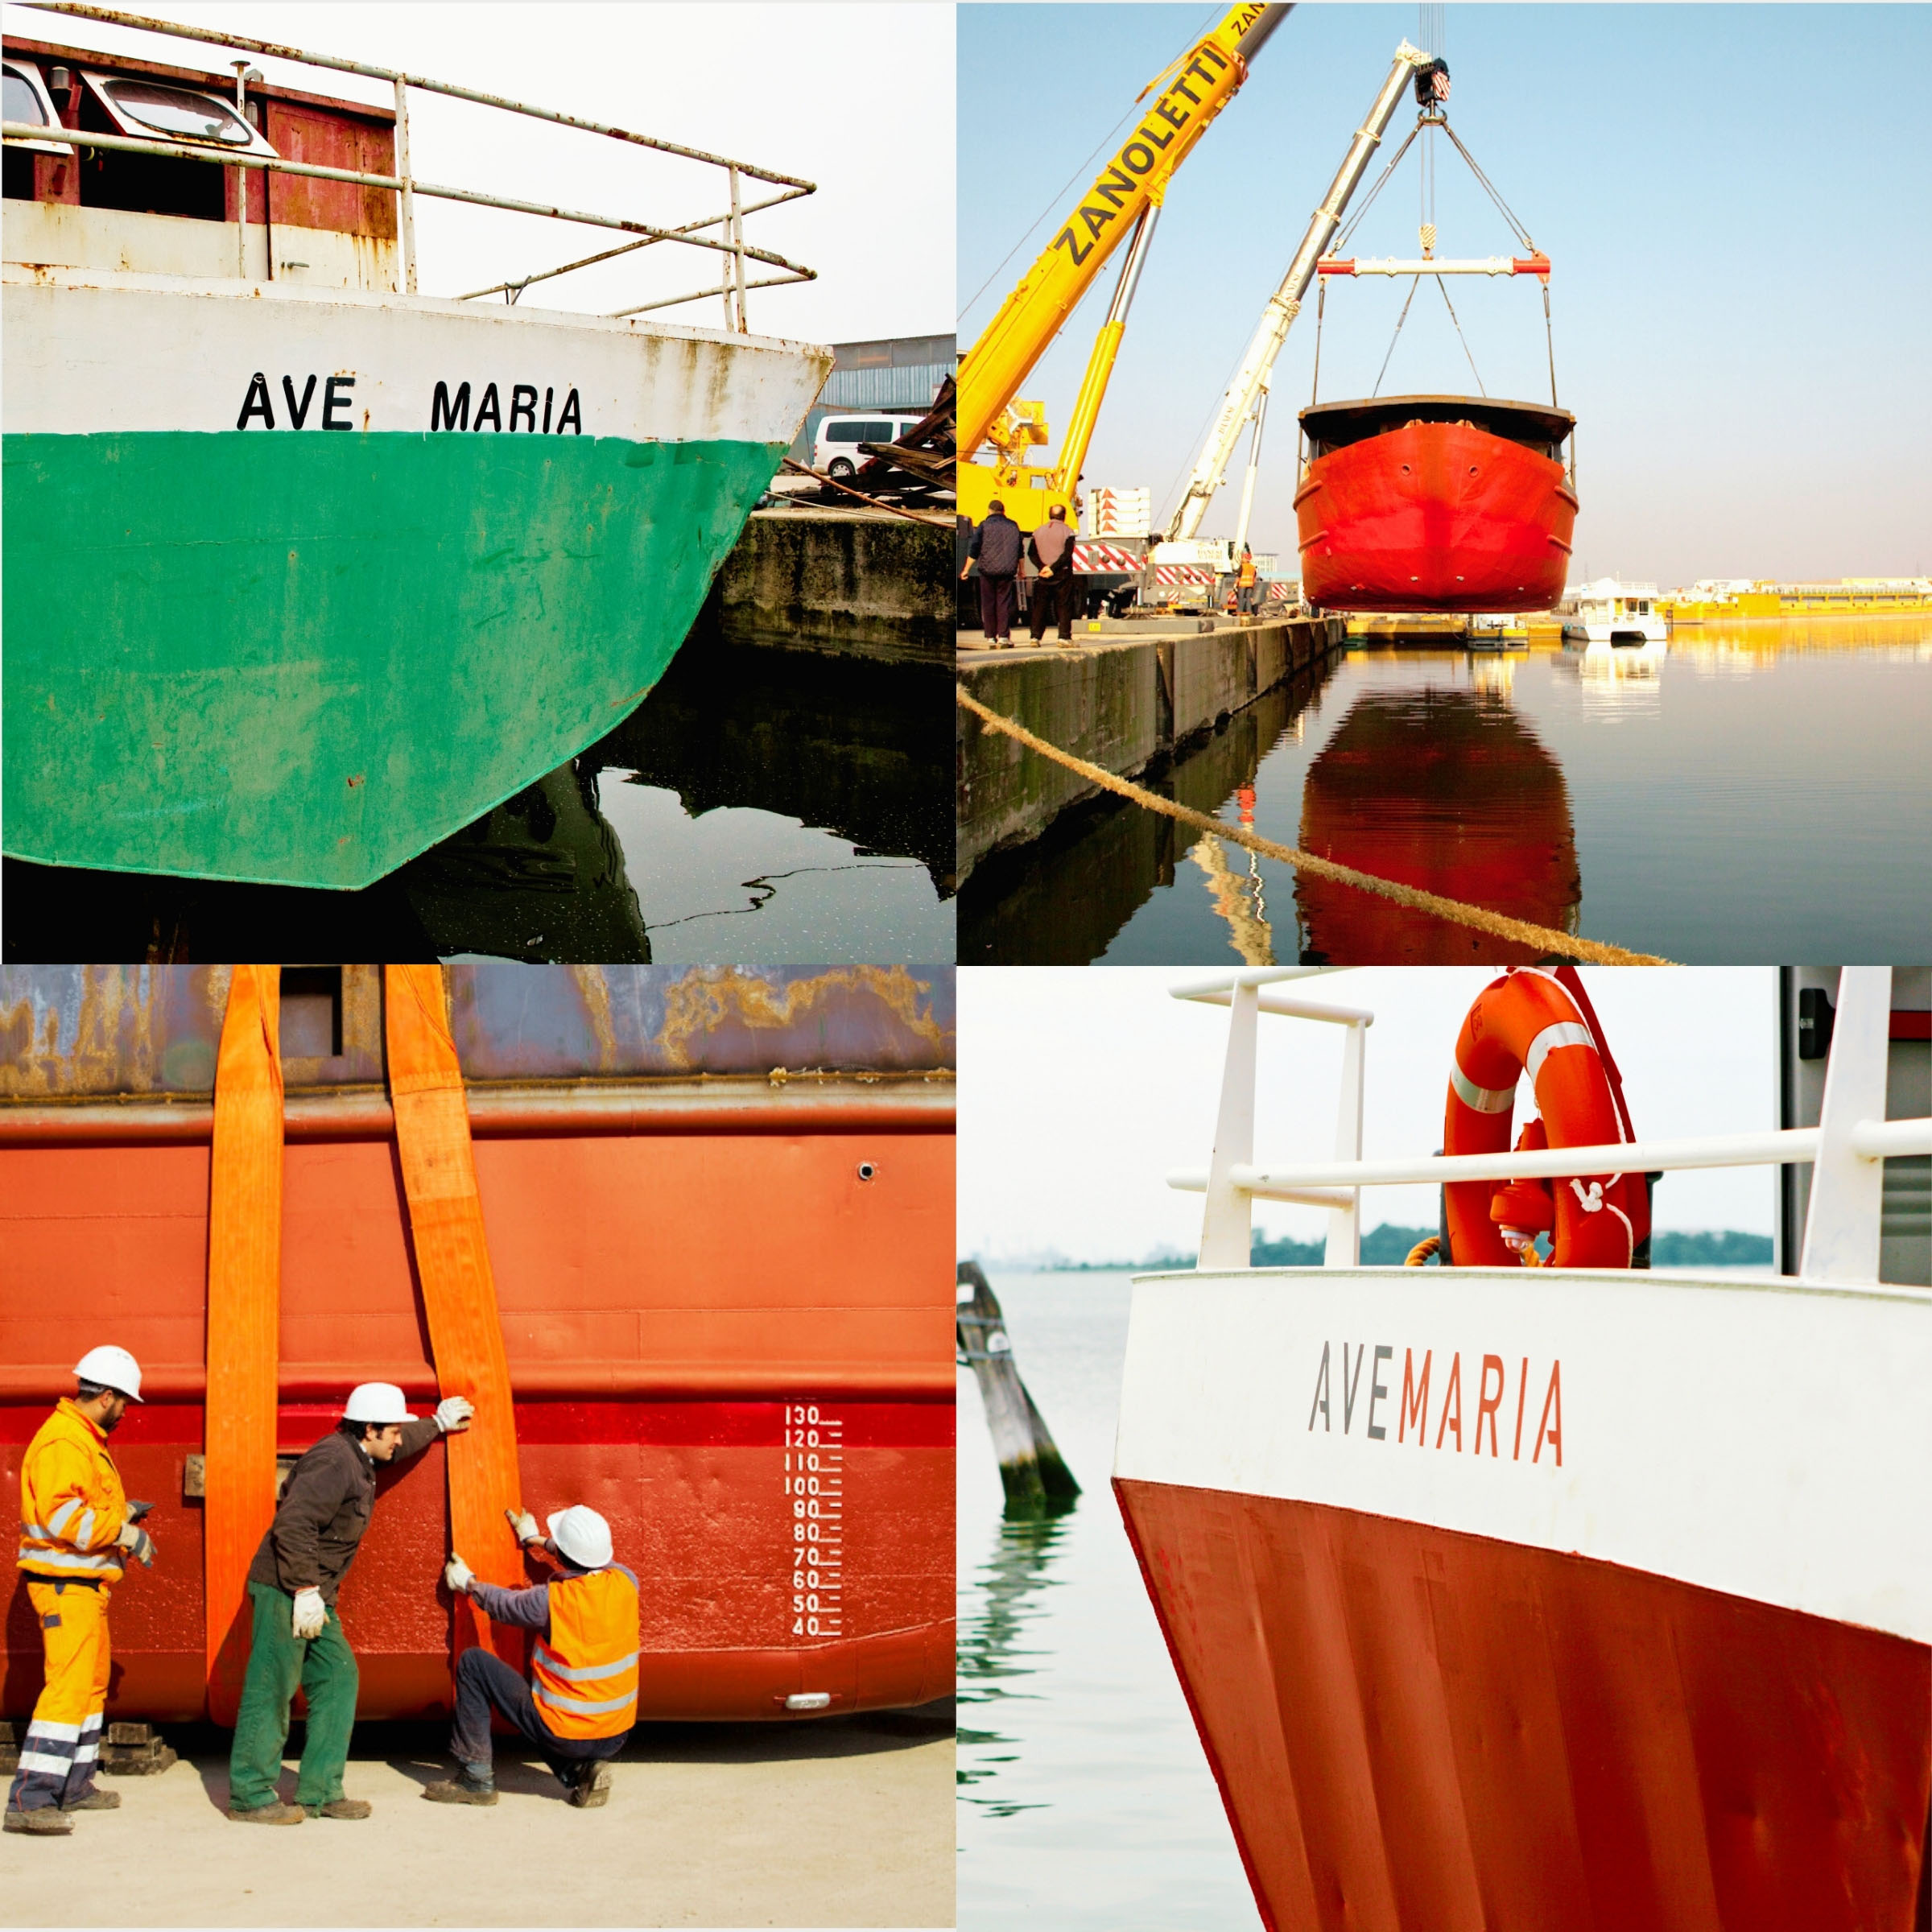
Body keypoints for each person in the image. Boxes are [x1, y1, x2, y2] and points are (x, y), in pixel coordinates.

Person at [225, 1381, 473, 1824]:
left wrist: (435, 1424)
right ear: (370, 1429)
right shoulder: (333, 1461)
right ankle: (250, 1795)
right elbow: (295, 1524)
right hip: (287, 1589)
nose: (399, 1439)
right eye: (393, 1431)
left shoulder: (359, 1453)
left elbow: (397, 1450)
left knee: (338, 1679)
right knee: (272, 1688)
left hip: (313, 1594)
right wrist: (303, 1590)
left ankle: (320, 1792)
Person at [6, 1347, 155, 1838]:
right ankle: (31, 1800)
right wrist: (124, 1531)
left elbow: (82, 1506)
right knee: (66, 1691)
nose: (127, 1412)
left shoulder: (83, 1439)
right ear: (106, 1396)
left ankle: (76, 1785)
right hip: (65, 1588)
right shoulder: (65, 1442)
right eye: (124, 1402)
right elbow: (65, 1517)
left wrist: (123, 1513)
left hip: (85, 1588)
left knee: (90, 1685)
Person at [425, 1505, 639, 1809]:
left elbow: (503, 1604)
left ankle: (475, 1778)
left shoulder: (551, 1601)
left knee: (474, 1663)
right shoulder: (627, 1582)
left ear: (564, 1554)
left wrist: (468, 1582)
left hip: (568, 1732)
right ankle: (581, 1772)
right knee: (551, 1709)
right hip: (616, 1735)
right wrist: (537, 1541)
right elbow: (592, 1561)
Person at [961, 500, 1022, 645]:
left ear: (989, 510)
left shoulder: (984, 525)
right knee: (1004, 603)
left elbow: (975, 549)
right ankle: (1003, 636)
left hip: (987, 571)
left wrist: (966, 569)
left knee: (988, 603)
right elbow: (1020, 551)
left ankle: (990, 637)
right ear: (1003, 511)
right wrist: (1022, 570)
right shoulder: (1013, 526)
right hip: (1007, 571)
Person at [1026, 505, 1079, 644]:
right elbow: (1067, 554)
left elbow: (1031, 553)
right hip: (1062, 574)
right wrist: (1053, 569)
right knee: (1064, 606)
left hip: (1043, 575)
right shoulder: (1068, 532)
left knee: (1039, 607)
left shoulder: (1038, 531)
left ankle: (1035, 637)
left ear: (1049, 515)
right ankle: (1064, 637)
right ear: (1064, 515)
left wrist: (1043, 567)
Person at [1236, 545, 1260, 616]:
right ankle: (1249, 611)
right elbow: (1254, 577)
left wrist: (1235, 585)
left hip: (1242, 585)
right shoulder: (1253, 567)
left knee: (1241, 598)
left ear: (1245, 559)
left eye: (1243, 558)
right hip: (1250, 585)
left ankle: (1240, 611)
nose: (1242, 559)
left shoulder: (1242, 566)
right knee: (1249, 598)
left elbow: (1239, 576)